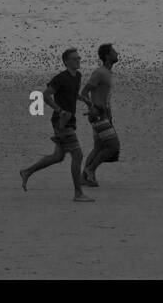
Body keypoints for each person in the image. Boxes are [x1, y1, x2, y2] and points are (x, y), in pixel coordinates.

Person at [20, 49, 94, 202]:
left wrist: (84, 100)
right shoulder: (60, 78)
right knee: (78, 155)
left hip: (70, 121)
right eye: (74, 59)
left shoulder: (78, 76)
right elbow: (45, 95)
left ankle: (27, 171)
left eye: (78, 58)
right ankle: (78, 194)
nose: (78, 61)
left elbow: (72, 94)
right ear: (66, 61)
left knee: (58, 156)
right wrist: (59, 110)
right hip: (61, 121)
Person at [78, 43, 120, 187]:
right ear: (107, 55)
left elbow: (105, 97)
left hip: (105, 116)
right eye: (114, 51)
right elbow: (83, 93)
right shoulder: (100, 72)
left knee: (99, 147)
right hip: (98, 116)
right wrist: (92, 106)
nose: (117, 53)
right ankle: (90, 169)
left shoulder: (108, 73)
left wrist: (110, 115)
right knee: (113, 147)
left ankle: (84, 177)